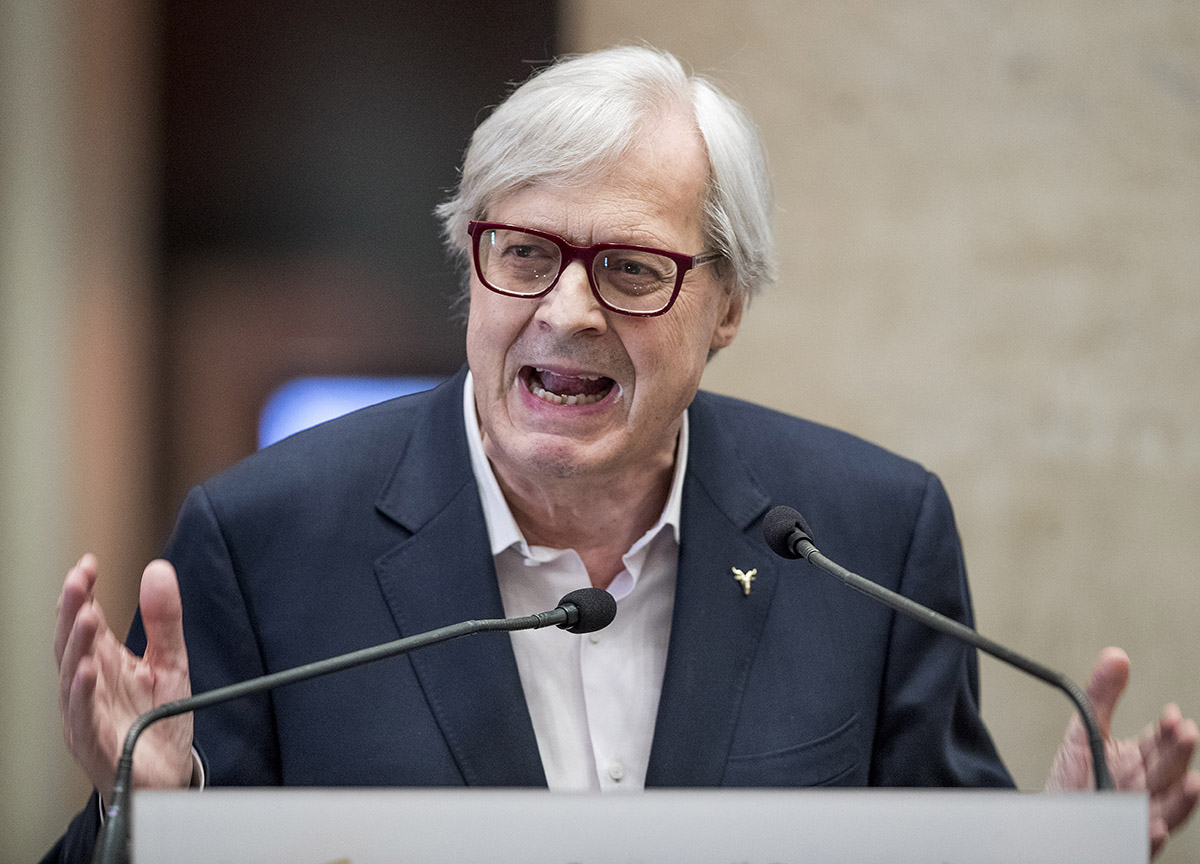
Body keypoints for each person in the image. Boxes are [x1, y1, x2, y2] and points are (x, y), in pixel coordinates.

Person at [46, 45, 1198, 862]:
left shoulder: (869, 539)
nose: (568, 312)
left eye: (632, 270)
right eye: (524, 254)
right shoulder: (263, 541)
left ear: (728, 305)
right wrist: (146, 822)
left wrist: (1055, 854)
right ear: (471, 263)